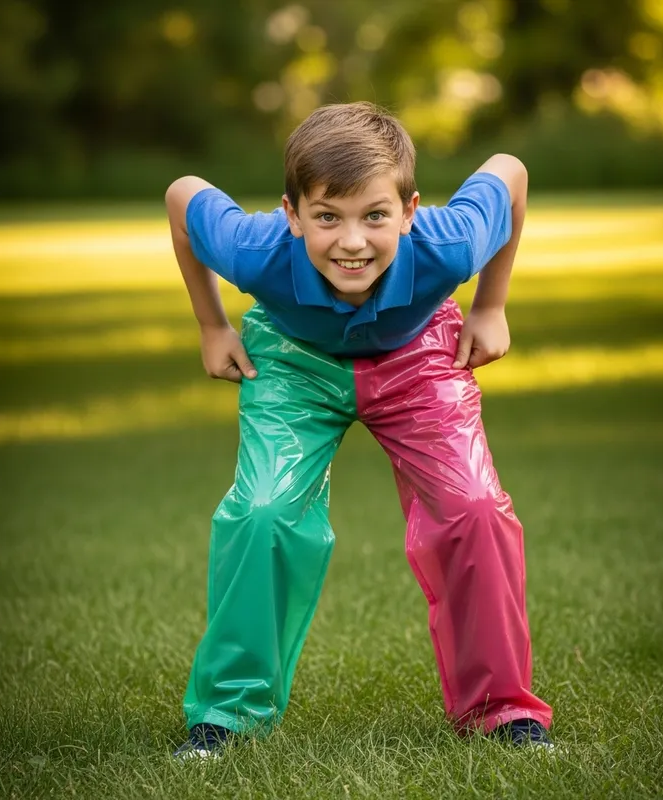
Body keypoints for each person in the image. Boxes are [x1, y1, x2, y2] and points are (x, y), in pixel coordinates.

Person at [165, 101, 553, 758]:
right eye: (326, 217)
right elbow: (182, 199)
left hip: (419, 356)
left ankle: (503, 711)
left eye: (375, 216)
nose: (352, 241)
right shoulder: (254, 251)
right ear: (291, 216)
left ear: (409, 210)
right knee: (263, 511)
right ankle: (225, 714)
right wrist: (211, 325)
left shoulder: (450, 242)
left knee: (475, 506)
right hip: (292, 363)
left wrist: (490, 305)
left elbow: (510, 172)